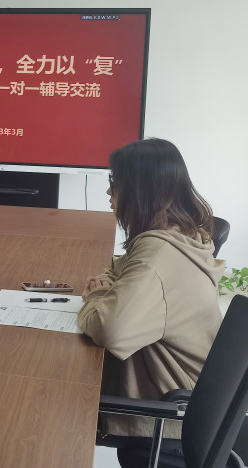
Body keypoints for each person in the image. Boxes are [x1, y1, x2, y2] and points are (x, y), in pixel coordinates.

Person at [76, 138, 225, 439]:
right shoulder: (179, 233)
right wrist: (110, 286)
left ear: (138, 191)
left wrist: (98, 296)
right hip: (194, 394)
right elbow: (120, 268)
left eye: (114, 184)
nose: (108, 192)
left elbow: (109, 329)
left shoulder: (157, 255)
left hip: (172, 413)